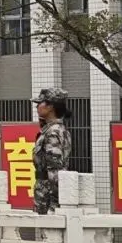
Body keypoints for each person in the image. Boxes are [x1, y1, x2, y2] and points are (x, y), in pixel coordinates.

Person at [32, 87, 72, 215]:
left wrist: (54, 204)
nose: (37, 106)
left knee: (49, 233)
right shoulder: (52, 129)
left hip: (47, 194)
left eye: (40, 103)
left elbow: (55, 170)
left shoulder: (53, 132)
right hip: (45, 192)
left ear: (50, 107)